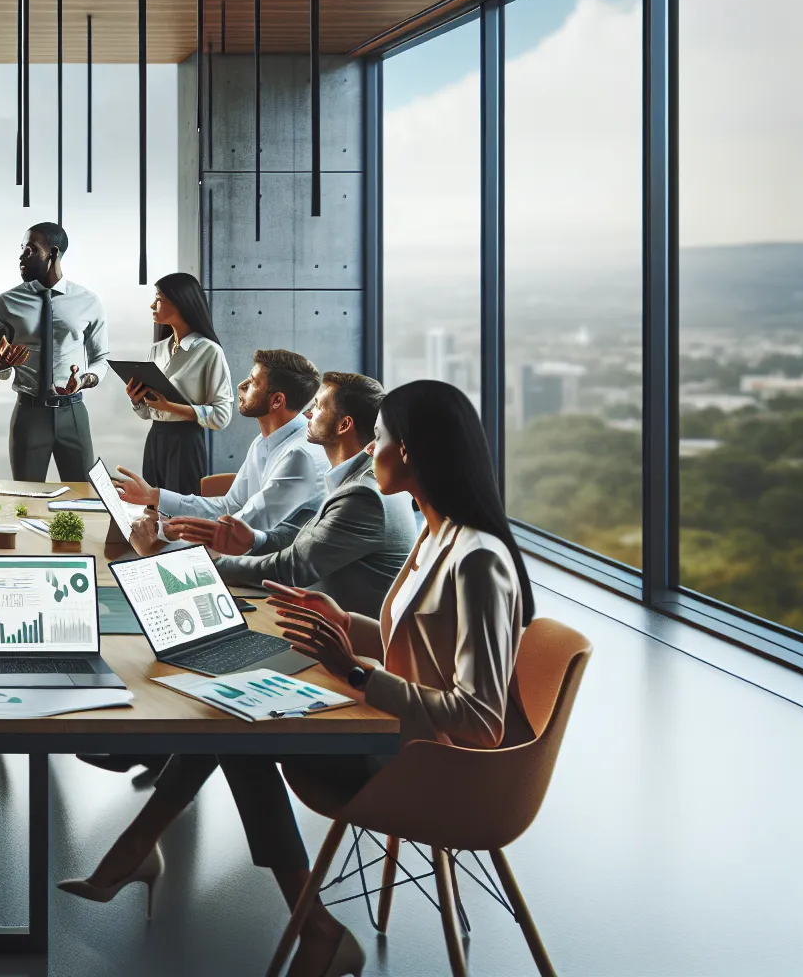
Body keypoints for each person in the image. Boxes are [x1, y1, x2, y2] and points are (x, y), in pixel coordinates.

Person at [60, 379, 537, 977]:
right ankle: (142, 855)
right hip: (397, 733)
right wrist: (344, 623)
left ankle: (303, 923)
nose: (369, 452)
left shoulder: (479, 560)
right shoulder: (436, 533)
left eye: (380, 440)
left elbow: (482, 720)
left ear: (409, 451)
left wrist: (356, 673)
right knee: (233, 714)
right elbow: (416, 646)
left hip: (429, 766)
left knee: (239, 733)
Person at [135, 372, 417, 617]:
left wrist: (181, 561)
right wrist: (256, 540)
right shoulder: (356, 477)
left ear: (344, 425)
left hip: (345, 644)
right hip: (310, 615)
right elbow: (303, 540)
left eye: (318, 407)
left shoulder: (362, 495)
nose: (308, 414)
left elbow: (291, 567)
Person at [114, 348, 328, 530]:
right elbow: (229, 506)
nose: (241, 386)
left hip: (266, 572)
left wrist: (167, 532)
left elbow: (245, 528)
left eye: (253, 383)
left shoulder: (299, 455)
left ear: (277, 401)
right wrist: (154, 496)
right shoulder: (264, 441)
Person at [0, 222, 105, 482]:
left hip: (72, 414)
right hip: (29, 414)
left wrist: (84, 381)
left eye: (30, 250)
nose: (21, 257)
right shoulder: (6, 303)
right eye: (21, 249)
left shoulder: (88, 301)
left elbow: (100, 359)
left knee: (83, 496)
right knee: (26, 499)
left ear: (52, 253)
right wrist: (1, 363)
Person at [125, 272, 235, 495]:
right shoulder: (157, 350)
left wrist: (170, 407)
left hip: (186, 443)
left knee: (180, 514)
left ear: (180, 301)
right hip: (155, 439)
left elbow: (222, 416)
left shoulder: (208, 351)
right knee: (152, 509)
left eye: (159, 298)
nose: (152, 305)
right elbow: (147, 413)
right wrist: (137, 400)